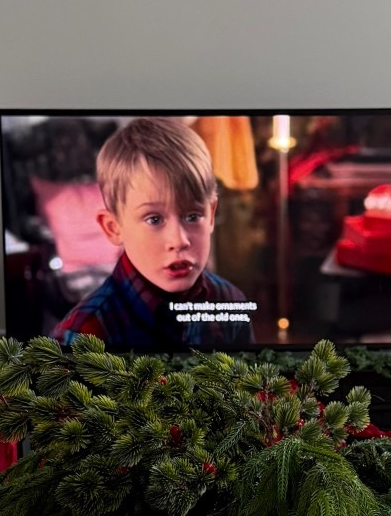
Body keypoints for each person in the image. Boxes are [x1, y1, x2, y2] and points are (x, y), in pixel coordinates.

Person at [55, 118, 255, 349]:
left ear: (211, 215)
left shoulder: (230, 302)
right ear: (113, 227)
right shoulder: (82, 335)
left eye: (192, 216)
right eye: (154, 219)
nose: (179, 241)